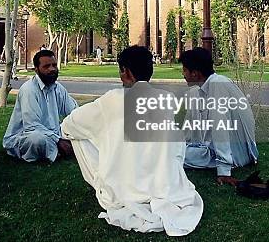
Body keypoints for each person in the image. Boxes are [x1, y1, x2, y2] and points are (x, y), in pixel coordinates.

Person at [61, 46, 203, 236]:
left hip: (125, 183)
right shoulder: (167, 98)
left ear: (125, 71)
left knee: (79, 135)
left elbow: (68, 125)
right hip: (164, 180)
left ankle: (114, 178)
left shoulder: (112, 100)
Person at [179, 47, 258, 186]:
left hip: (237, 155)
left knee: (172, 155)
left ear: (195, 73)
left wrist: (224, 171)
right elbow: (191, 128)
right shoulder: (201, 90)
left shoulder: (217, 85)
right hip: (216, 150)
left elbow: (220, 126)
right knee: (173, 150)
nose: (183, 74)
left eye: (185, 70)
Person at [3, 50, 78, 162]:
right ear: (36, 70)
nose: (52, 69)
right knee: (37, 140)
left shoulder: (58, 88)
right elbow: (32, 125)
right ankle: (60, 150)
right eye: (46, 66)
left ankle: (59, 149)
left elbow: (74, 112)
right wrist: (58, 140)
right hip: (26, 136)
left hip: (53, 135)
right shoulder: (29, 90)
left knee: (79, 130)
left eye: (54, 65)